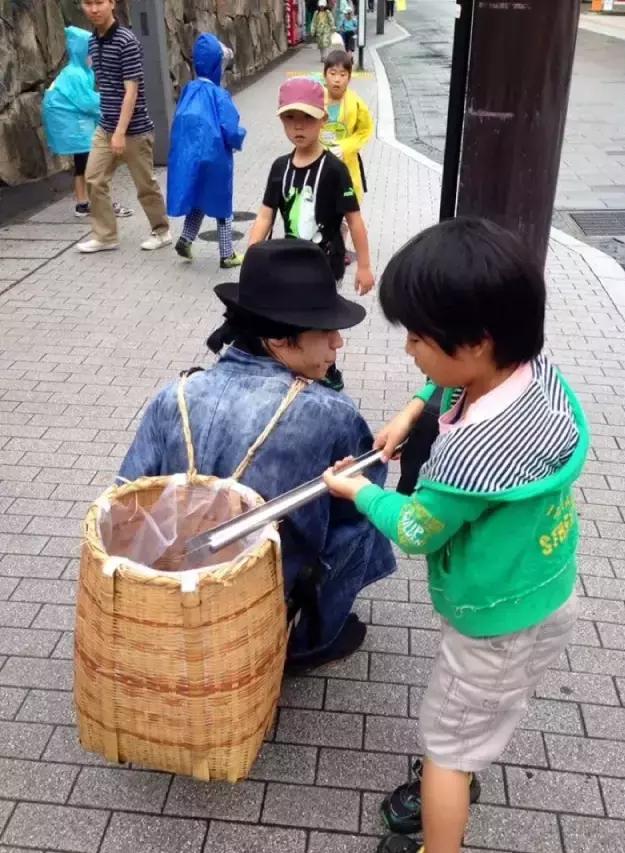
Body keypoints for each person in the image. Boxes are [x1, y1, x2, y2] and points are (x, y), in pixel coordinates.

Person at [323, 218, 589, 853]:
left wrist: (361, 492)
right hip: (546, 587)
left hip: (491, 622)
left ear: (474, 343)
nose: (409, 349)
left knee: (447, 748)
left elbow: (416, 529)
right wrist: (416, 407)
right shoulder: (534, 370)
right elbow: (456, 372)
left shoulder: (469, 456)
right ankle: (474, 751)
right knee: (491, 712)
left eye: (417, 338)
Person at [119, 238, 396, 667]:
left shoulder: (173, 394)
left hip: (173, 584)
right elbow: (356, 513)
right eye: (326, 330)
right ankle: (308, 639)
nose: (338, 343)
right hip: (262, 595)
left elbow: (128, 498)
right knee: (364, 514)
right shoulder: (330, 412)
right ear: (279, 340)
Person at [248, 77, 374, 295]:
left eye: (308, 117)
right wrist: (251, 258)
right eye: (290, 117)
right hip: (289, 263)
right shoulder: (280, 168)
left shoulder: (335, 170)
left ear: (323, 119)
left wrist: (364, 267)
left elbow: (354, 220)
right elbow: (265, 216)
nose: (298, 125)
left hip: (324, 268)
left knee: (320, 327)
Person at [77, 0, 171, 254]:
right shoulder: (93, 40)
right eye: (88, 3)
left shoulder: (126, 41)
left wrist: (119, 132)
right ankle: (106, 236)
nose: (94, 9)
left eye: (99, 2)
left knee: (145, 185)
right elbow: (103, 83)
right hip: (105, 125)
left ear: (112, 3)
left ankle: (161, 231)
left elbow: (132, 91)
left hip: (135, 130)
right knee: (94, 179)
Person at [168, 34, 245, 268]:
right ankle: (227, 254)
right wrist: (238, 137)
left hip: (191, 155)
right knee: (222, 202)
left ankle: (185, 238)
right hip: (216, 157)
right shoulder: (219, 95)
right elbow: (229, 127)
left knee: (199, 199)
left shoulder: (189, 90)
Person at [41, 25, 132, 221]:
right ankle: (100, 203)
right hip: (77, 126)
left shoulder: (77, 71)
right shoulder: (76, 74)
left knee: (82, 165)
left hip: (75, 125)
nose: (93, 57)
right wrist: (112, 102)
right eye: (90, 52)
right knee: (95, 165)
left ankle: (83, 204)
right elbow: (87, 102)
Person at [321, 49, 374, 204]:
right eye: (332, 73)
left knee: (346, 209)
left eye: (343, 74)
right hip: (319, 162)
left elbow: (364, 130)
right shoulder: (315, 99)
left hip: (346, 164)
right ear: (325, 75)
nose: (337, 79)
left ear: (349, 78)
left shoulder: (356, 103)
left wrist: (345, 147)